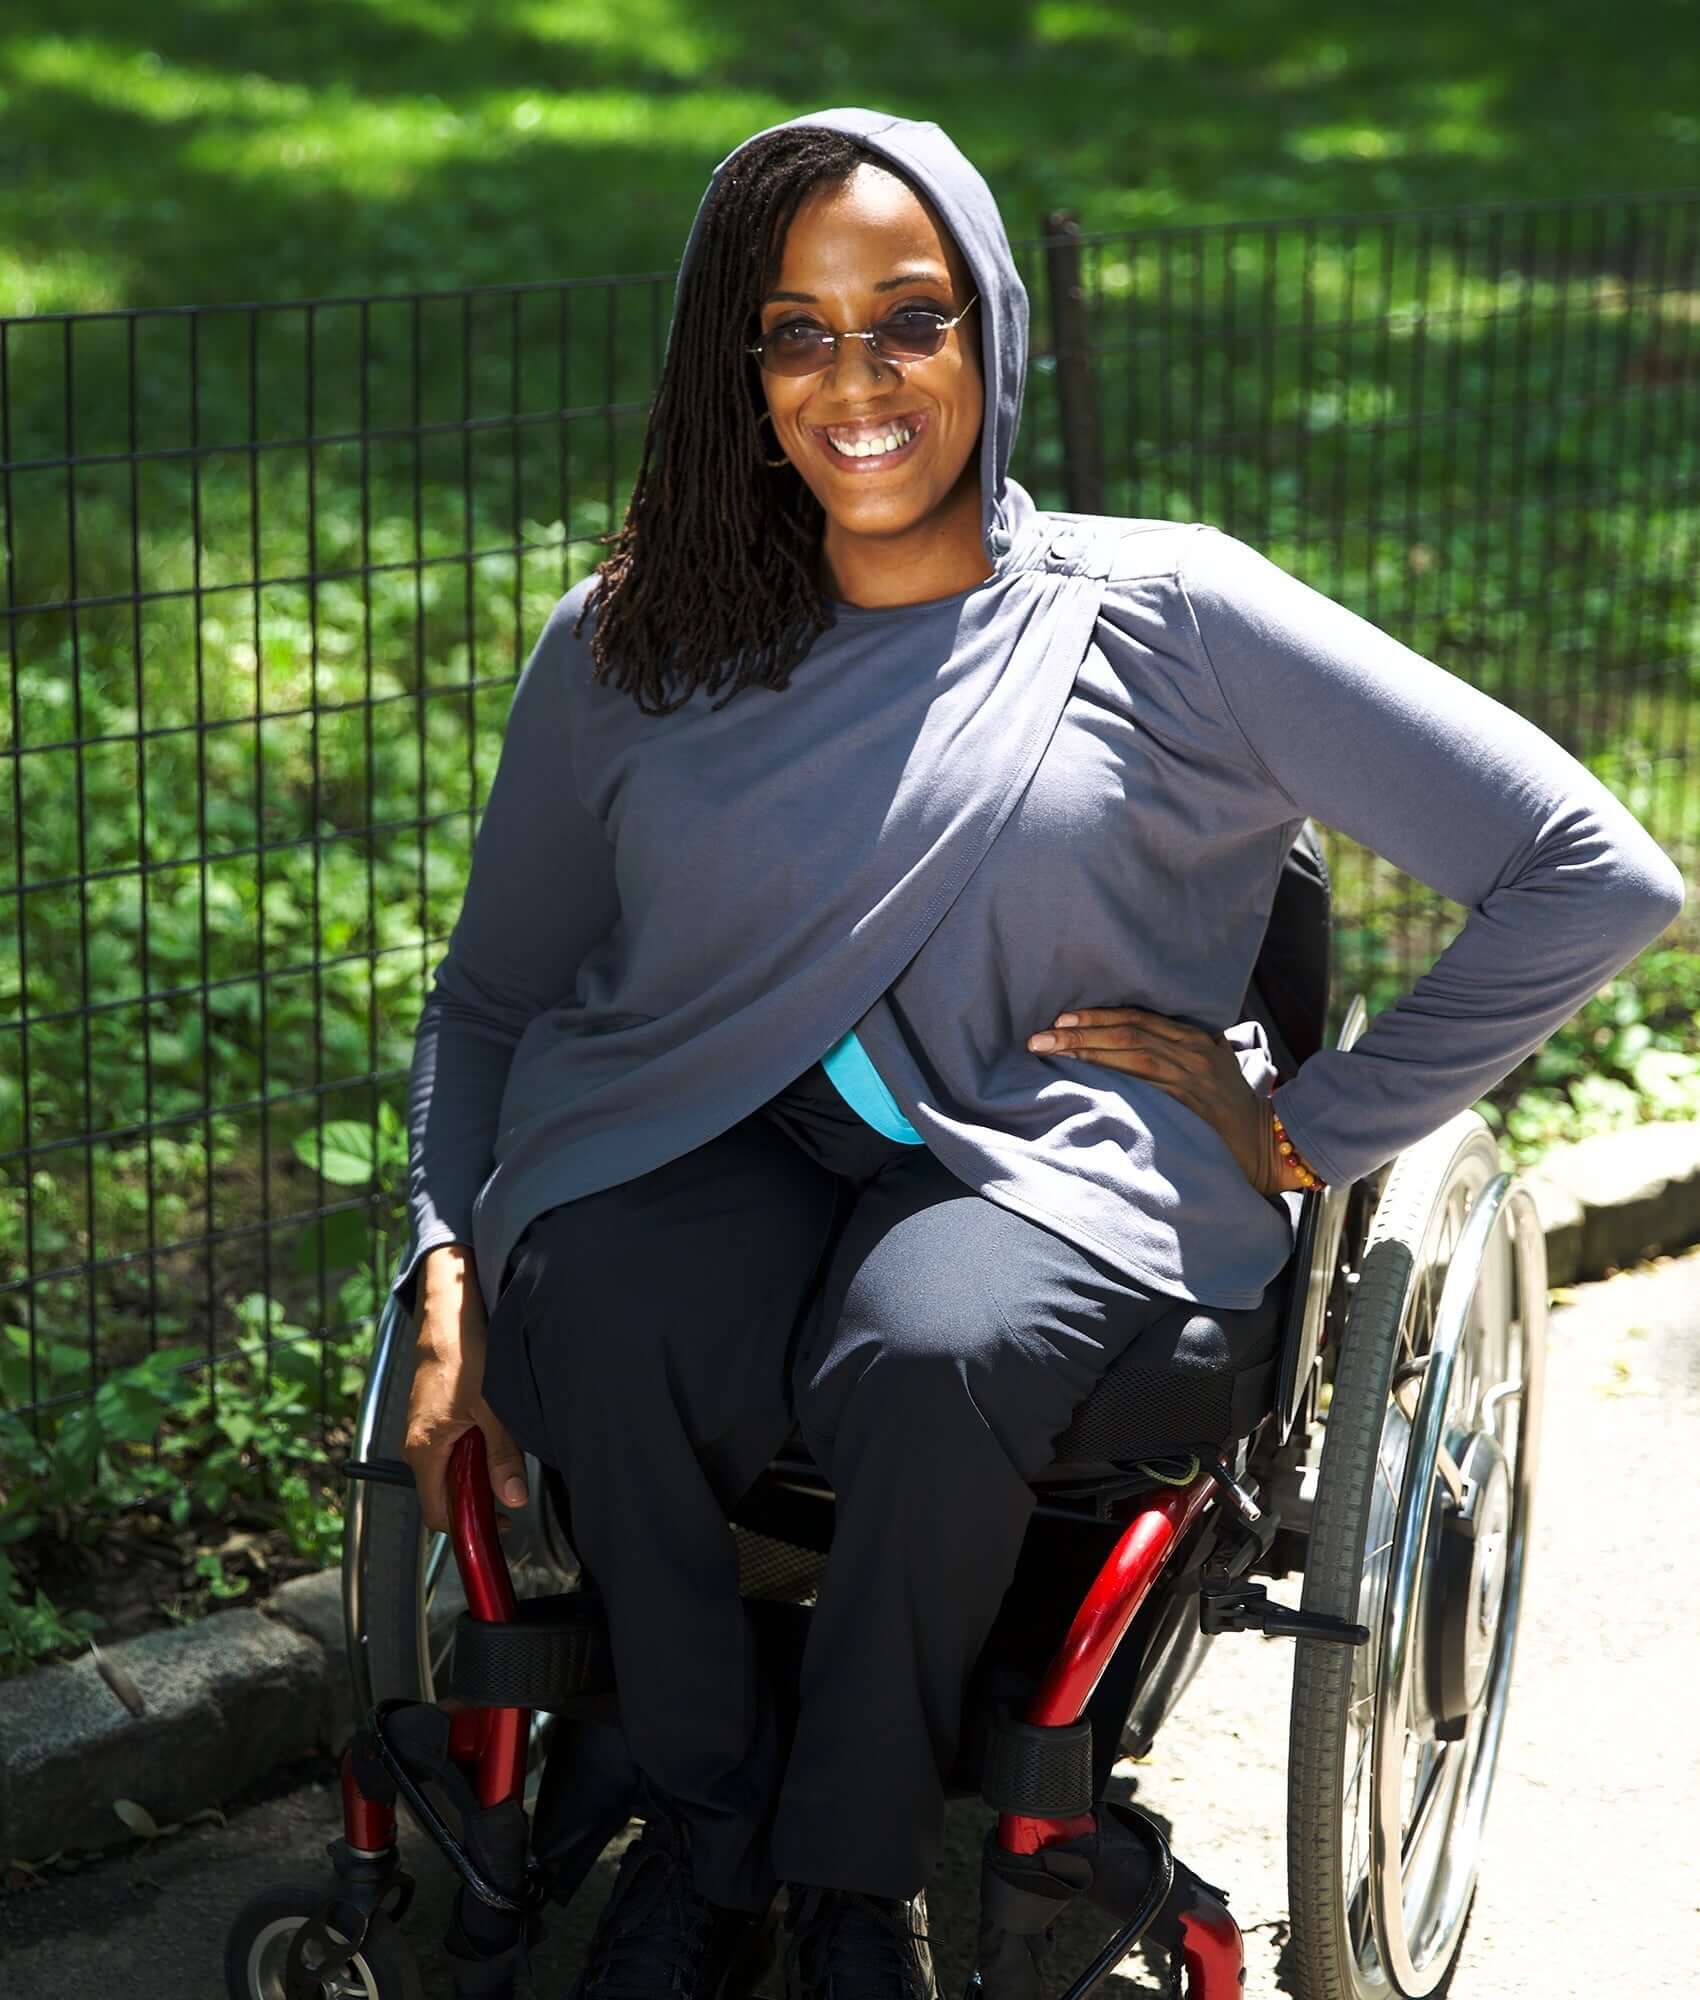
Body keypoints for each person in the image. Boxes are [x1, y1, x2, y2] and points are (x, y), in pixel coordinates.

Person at [398, 107, 1684, 2000]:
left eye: (909, 321)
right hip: (714, 1115)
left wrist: (1315, 1128)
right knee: (588, 1297)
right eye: (797, 331)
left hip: (1058, 1142)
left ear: (992, 330)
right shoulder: (631, 646)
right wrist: (442, 1249)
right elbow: (493, 1000)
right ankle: (706, 1824)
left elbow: (1590, 868)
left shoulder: (1172, 615)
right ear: (730, 367)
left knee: (931, 1350)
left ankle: (853, 1887)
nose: (858, 382)